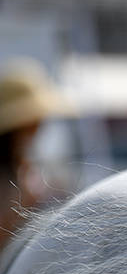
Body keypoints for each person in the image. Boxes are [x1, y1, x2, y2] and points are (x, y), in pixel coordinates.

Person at [0, 59, 73, 251]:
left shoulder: (22, 165)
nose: (39, 127)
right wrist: (25, 205)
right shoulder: (10, 171)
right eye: (35, 121)